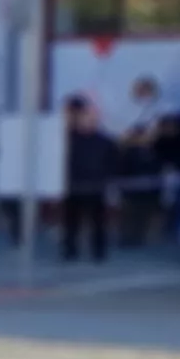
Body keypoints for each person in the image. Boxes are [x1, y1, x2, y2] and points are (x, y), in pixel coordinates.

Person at [63, 95, 118, 264]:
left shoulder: (105, 141)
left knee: (98, 223)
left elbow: (113, 162)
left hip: (96, 187)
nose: (87, 121)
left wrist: (108, 179)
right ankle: (69, 251)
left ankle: (98, 252)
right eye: (85, 117)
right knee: (71, 223)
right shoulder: (68, 140)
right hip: (73, 186)